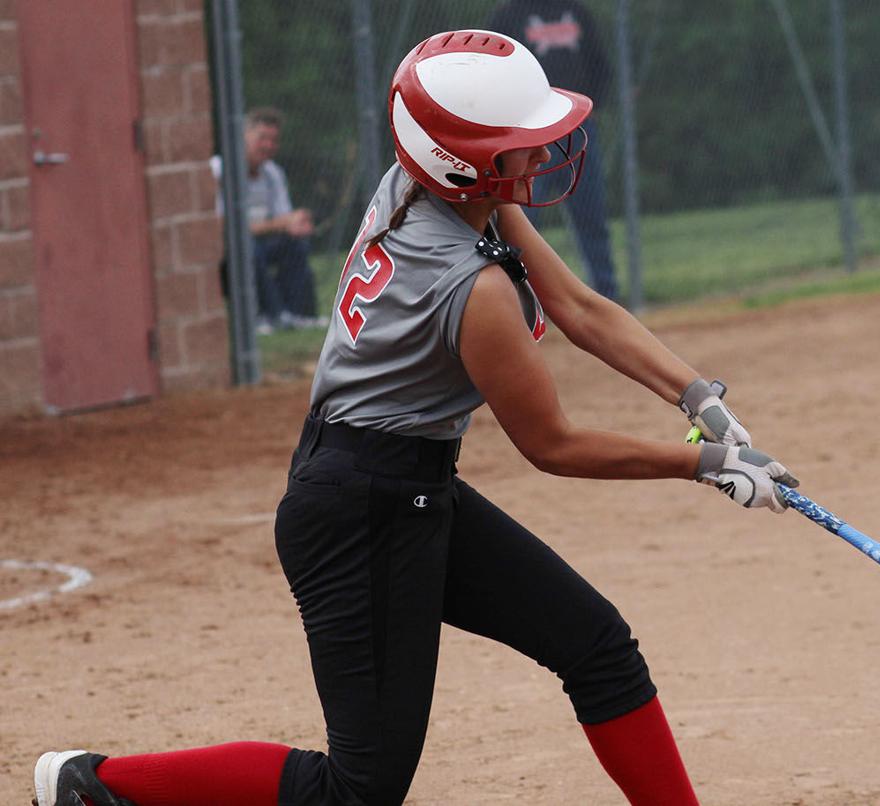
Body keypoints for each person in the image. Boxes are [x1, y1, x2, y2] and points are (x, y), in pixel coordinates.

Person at [33, 30, 799, 806]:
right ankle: (92, 785)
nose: (538, 156)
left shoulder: (434, 189)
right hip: (359, 509)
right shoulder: (472, 290)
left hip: (404, 486)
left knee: (598, 648)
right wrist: (704, 465)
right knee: (356, 792)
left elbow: (579, 307)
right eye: (518, 145)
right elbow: (552, 443)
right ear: (462, 163)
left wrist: (697, 397)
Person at [488, 0, 621, 302]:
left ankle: (606, 295)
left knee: (591, 215)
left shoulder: (576, 10)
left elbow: (601, 65)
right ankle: (517, 298)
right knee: (518, 219)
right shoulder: (508, 15)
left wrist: (592, 105)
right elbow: (493, 73)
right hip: (528, 132)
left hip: (577, 130)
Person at [211, 107, 323, 334]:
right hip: (228, 249)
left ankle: (298, 314)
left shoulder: (273, 173)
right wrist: (280, 224)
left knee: (295, 244)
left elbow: (284, 219)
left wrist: (296, 224)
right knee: (247, 248)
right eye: (262, 138)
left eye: (274, 140)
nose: (268, 146)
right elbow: (222, 226)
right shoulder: (219, 169)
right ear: (243, 137)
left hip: (261, 241)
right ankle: (266, 316)